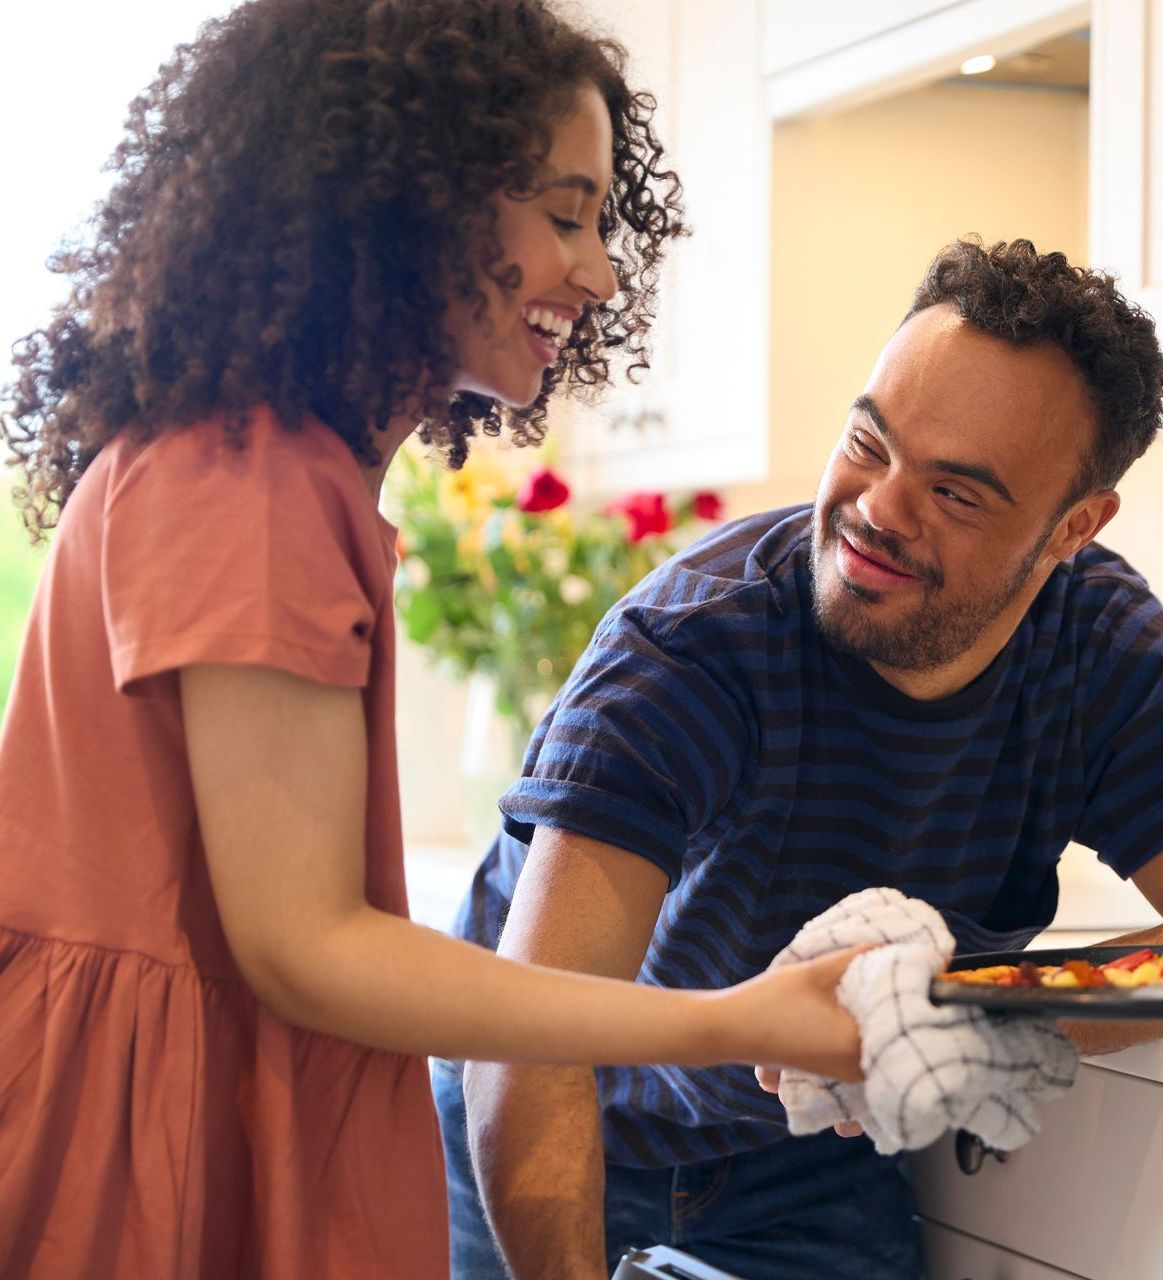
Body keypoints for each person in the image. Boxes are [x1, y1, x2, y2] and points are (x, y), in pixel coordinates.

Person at [0, 3, 871, 1276]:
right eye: (563, 215)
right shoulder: (254, 483)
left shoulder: (253, 458)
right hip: (145, 1140)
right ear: (412, 208)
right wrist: (727, 1018)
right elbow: (307, 945)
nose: (600, 272)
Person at [442, 238, 1163, 1280]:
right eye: (869, 441)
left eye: (955, 494)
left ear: (1071, 529)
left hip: (798, 1152)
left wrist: (987, 1009)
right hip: (563, 1119)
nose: (876, 509)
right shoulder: (689, 652)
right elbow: (532, 1039)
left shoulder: (1096, 643)